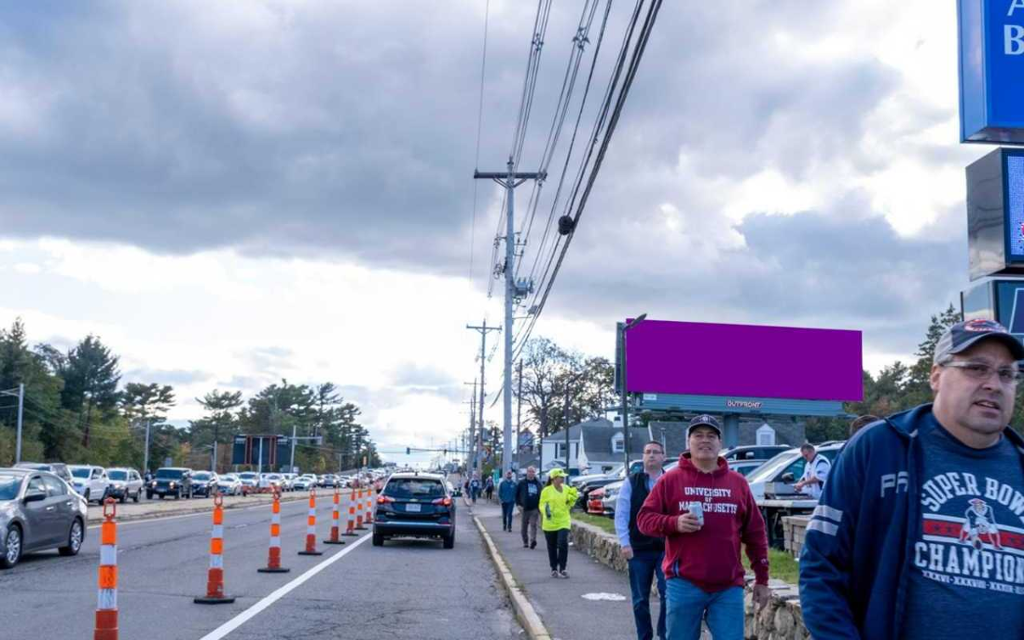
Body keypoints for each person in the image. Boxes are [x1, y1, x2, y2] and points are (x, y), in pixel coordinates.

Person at [799, 319, 1024, 639]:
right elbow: (821, 566)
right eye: (976, 368)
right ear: (936, 376)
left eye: (1007, 374)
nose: (993, 384)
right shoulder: (879, 448)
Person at [638, 415, 770, 640]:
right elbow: (644, 520)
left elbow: (755, 533)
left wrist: (762, 578)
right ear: (688, 442)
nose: (704, 440)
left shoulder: (738, 483)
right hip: (684, 583)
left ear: (720, 443)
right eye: (698, 435)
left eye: (711, 436)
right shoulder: (670, 480)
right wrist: (674, 523)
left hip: (728, 586)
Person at [616, 441, 668, 640]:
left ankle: (664, 635)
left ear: (663, 456)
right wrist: (624, 543)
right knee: (639, 599)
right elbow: (621, 514)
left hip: (666, 549)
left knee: (668, 595)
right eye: (648, 452)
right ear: (643, 457)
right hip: (638, 550)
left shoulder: (670, 480)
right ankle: (644, 636)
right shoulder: (632, 482)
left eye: (656, 452)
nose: (652, 455)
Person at [539, 468, 578, 578]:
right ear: (554, 478)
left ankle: (563, 568)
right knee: (551, 546)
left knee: (562, 543)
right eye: (561, 477)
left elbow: (570, 503)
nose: (563, 479)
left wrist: (571, 500)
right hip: (550, 523)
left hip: (563, 521)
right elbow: (542, 504)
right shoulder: (546, 491)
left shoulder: (566, 489)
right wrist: (546, 512)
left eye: (563, 477)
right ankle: (554, 568)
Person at [516, 466, 543, 549]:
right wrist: (518, 505)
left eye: (533, 472)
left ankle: (533, 541)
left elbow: (542, 495)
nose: (531, 473)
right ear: (527, 472)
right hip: (524, 508)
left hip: (535, 508)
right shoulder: (522, 483)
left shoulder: (538, 483)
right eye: (529, 471)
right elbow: (517, 495)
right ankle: (525, 541)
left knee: (533, 524)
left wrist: (540, 507)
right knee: (524, 526)